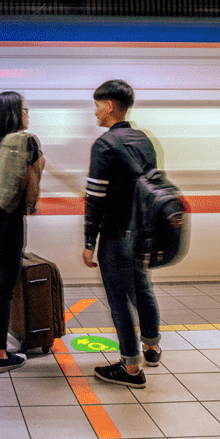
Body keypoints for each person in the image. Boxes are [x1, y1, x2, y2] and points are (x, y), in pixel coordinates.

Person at [82, 80, 161, 389]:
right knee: (142, 288)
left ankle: (130, 367)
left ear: (110, 106)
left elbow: (95, 198)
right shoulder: (144, 140)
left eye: (98, 105)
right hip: (142, 232)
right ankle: (151, 349)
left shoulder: (104, 144)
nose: (96, 111)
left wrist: (90, 241)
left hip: (116, 234)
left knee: (118, 299)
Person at [0, 91, 45, 373]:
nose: (28, 115)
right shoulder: (26, 142)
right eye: (25, 110)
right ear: (15, 114)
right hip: (11, 222)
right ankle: (1, 355)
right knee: (5, 288)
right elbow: (32, 183)